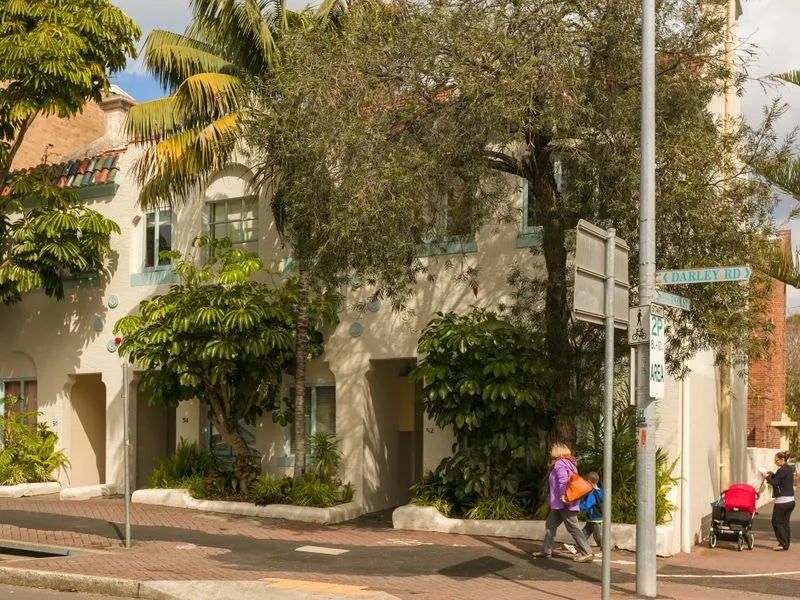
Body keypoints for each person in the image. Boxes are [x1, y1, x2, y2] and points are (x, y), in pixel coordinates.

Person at [534, 443, 594, 562]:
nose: (550, 452)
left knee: (573, 527)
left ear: (557, 451)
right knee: (550, 524)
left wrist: (564, 496)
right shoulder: (570, 463)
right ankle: (546, 550)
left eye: (552, 450)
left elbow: (563, 481)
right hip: (561, 503)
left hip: (565, 502)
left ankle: (587, 552)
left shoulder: (559, 464)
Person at [760, 451, 795, 551]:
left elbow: (775, 483)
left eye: (776, 460)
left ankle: (783, 543)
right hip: (790, 501)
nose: (775, 462)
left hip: (782, 502)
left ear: (781, 460)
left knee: (776, 522)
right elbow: (781, 480)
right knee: (784, 523)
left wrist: (766, 476)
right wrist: (773, 474)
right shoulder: (787, 469)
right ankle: (785, 544)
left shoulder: (782, 470)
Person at [579, 471, 604, 554]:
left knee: (597, 536)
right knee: (584, 533)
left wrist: (577, 507)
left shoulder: (592, 493)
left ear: (589, 482)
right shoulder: (601, 492)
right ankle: (577, 547)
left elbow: (588, 504)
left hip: (595, 518)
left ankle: (605, 549)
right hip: (594, 517)